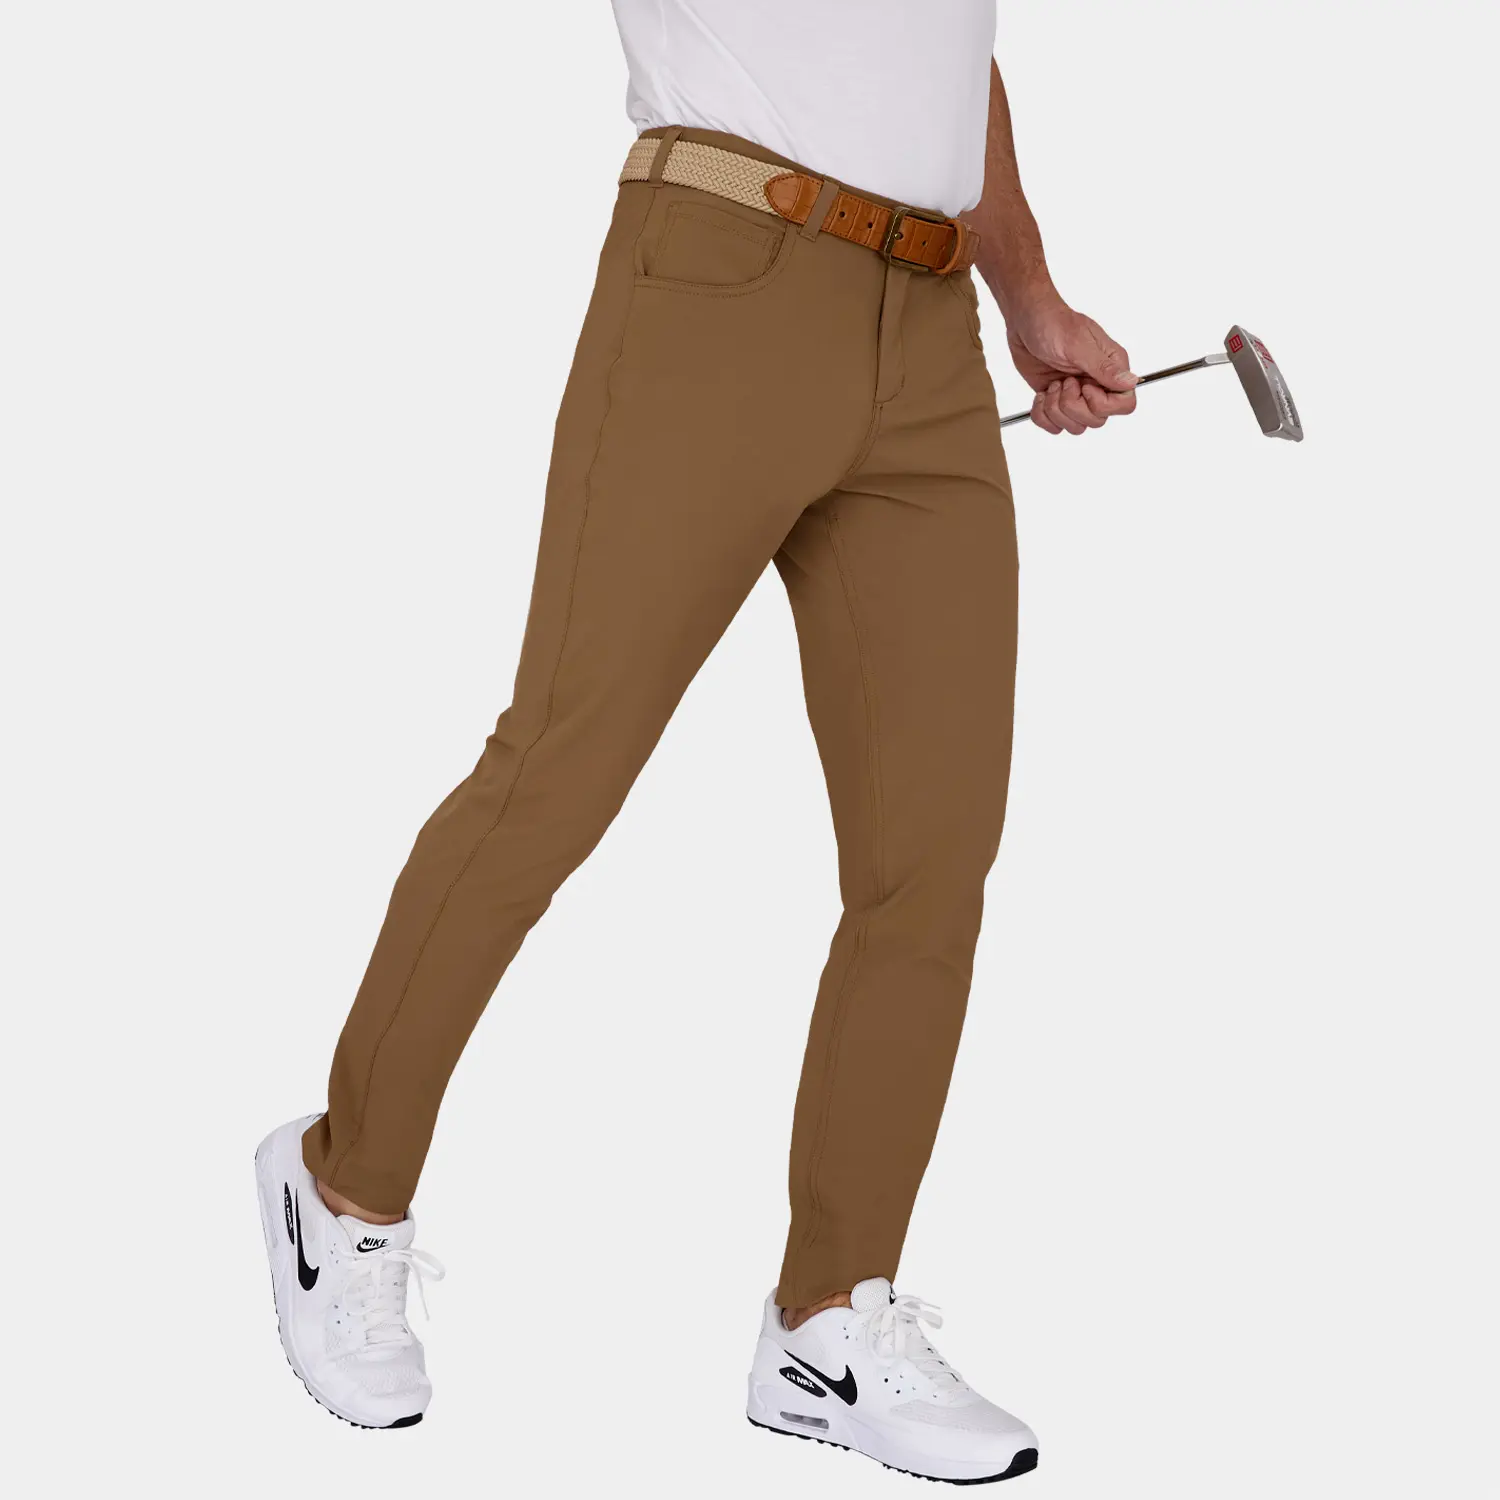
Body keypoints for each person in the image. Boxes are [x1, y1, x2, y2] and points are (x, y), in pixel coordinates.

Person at [255, 1, 1137, 1480]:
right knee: (558, 772)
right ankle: (340, 1194)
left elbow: (950, 60)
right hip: (723, 274)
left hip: (928, 327)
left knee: (930, 858)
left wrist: (1031, 300)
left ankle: (828, 1323)